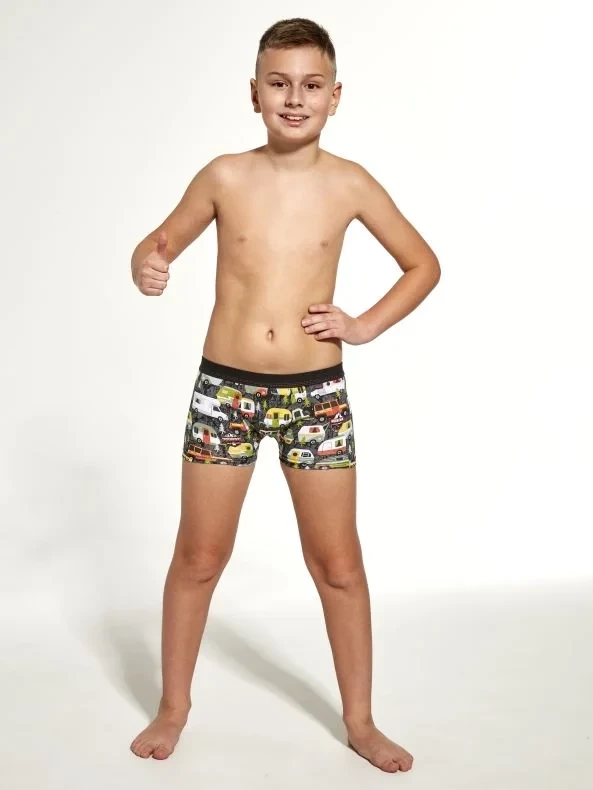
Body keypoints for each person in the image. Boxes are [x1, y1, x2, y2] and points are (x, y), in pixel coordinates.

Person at [129, 17, 440, 774]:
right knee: (199, 555)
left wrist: (362, 325)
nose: (293, 98)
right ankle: (173, 706)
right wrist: (148, 262)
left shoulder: (350, 183)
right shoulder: (224, 176)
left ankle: (360, 720)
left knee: (337, 564)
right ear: (254, 93)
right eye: (278, 83)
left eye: (310, 85)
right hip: (225, 392)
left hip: (315, 397)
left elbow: (422, 264)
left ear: (335, 96)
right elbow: (158, 242)